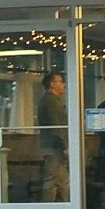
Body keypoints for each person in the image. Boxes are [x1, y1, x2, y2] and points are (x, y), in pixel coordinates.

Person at [37, 72, 70, 202]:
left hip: (53, 145)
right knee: (51, 179)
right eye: (60, 81)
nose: (63, 85)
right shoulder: (51, 101)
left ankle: (68, 206)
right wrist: (64, 146)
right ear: (52, 84)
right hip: (53, 146)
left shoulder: (52, 100)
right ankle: (48, 208)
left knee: (62, 179)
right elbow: (56, 125)